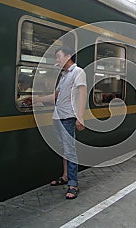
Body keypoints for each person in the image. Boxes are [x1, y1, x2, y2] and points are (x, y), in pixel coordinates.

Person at [25, 47, 86, 199]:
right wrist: (37, 99)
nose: (57, 60)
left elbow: (83, 93)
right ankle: (65, 176)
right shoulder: (64, 76)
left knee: (70, 150)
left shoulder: (78, 72)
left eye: (58, 57)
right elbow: (56, 96)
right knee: (64, 149)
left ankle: (73, 184)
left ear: (68, 56)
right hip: (58, 116)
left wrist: (80, 116)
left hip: (68, 117)